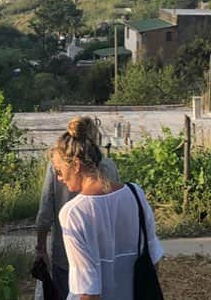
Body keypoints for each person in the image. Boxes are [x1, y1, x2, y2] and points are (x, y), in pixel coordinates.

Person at [52, 116, 163, 300]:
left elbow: (87, 291)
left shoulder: (74, 213)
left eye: (59, 170)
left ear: (77, 165)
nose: (59, 177)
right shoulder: (136, 194)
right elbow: (154, 259)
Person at [35, 118, 120, 299]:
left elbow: (45, 208)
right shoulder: (109, 166)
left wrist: (41, 248)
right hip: (105, 254)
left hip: (65, 252)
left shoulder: (57, 166)